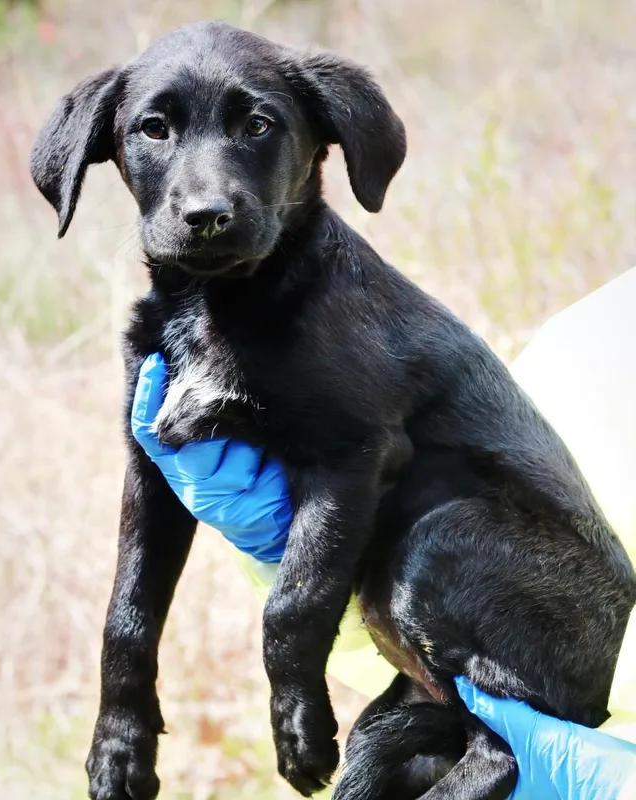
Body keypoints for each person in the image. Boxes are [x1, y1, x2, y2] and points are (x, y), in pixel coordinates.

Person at [129, 267, 636, 799]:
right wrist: (302, 552)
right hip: (478, 712)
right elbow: (443, 624)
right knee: (376, 752)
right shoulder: (586, 338)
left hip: (555, 754)